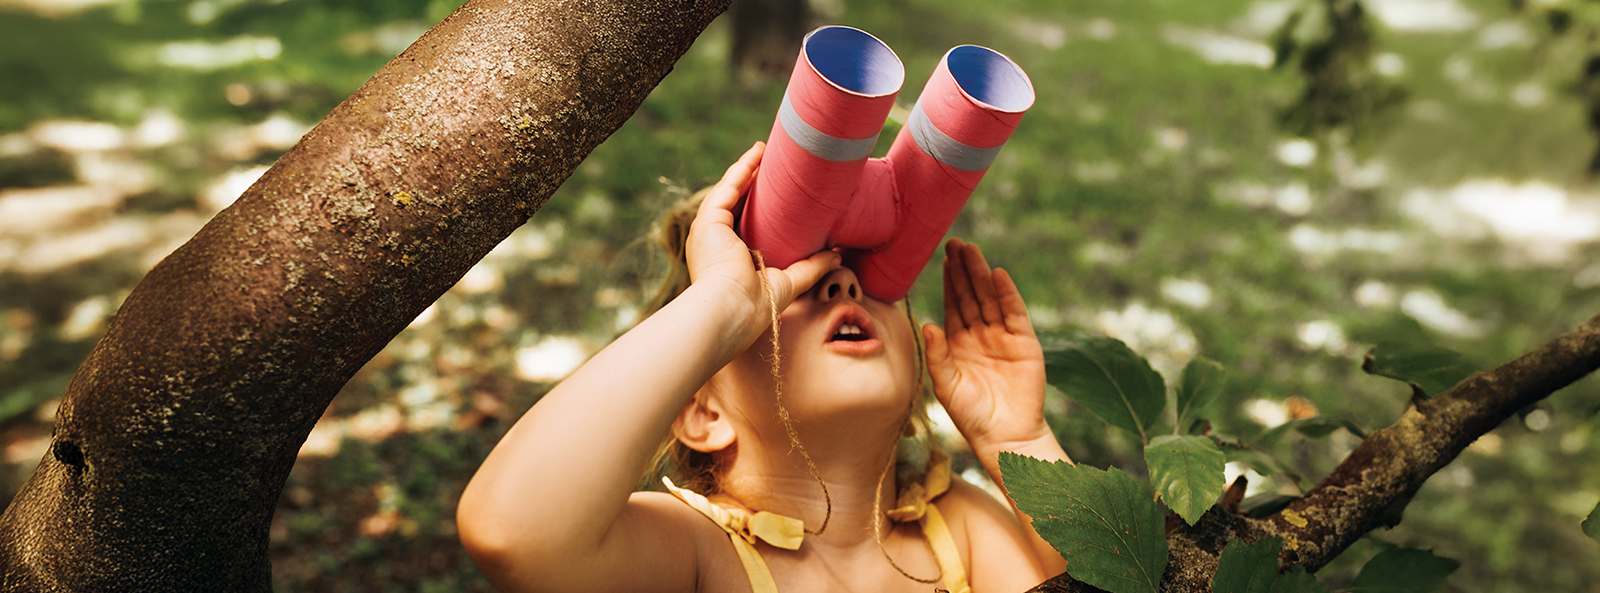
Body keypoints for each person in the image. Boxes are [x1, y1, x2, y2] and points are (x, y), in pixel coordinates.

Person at [458, 142, 1072, 593]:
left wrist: (1017, 439)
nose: (844, 286)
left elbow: (1107, 584)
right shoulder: (701, 556)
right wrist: (723, 303)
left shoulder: (957, 525)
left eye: (862, 279)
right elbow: (515, 533)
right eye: (787, 295)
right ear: (702, 411)